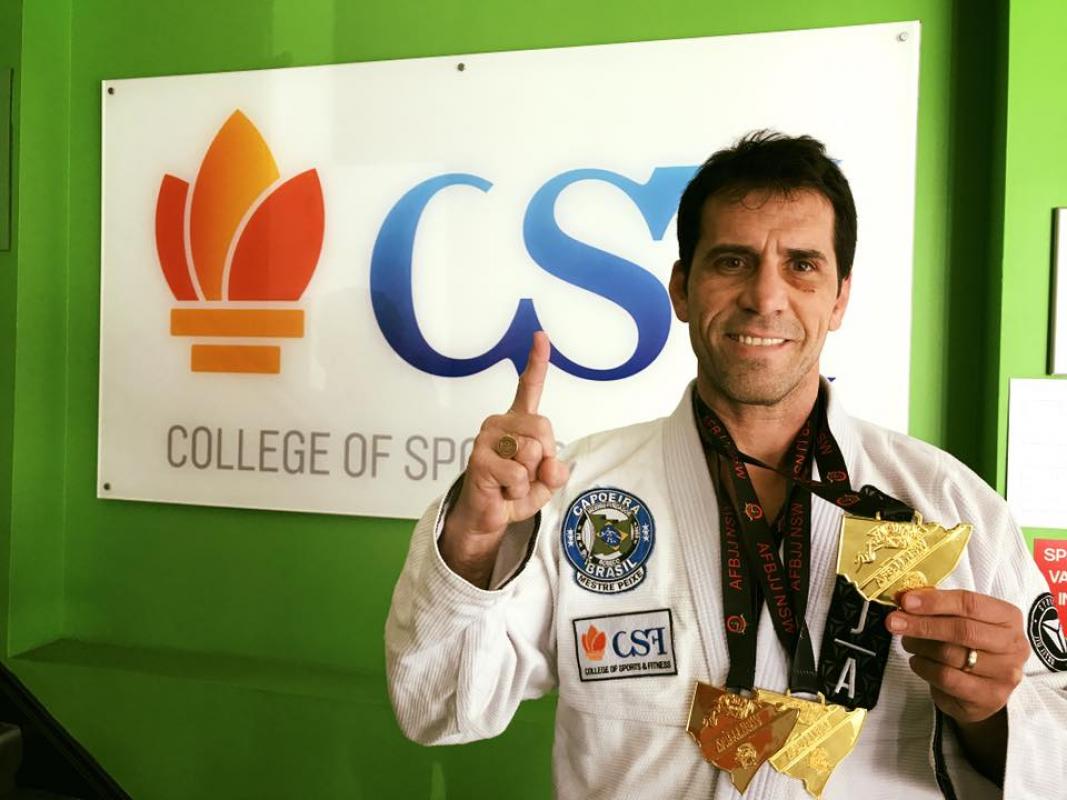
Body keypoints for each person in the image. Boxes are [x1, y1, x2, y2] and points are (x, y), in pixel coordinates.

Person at [385, 132, 1067, 799]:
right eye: (733, 261)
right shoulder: (577, 493)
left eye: (801, 265)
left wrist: (989, 716)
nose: (764, 297)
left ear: (839, 298)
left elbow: (1056, 743)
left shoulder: (947, 503)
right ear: (682, 289)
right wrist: (474, 541)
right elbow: (437, 707)